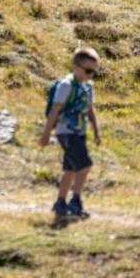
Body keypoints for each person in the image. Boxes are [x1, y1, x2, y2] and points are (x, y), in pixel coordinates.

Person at [40, 46, 101, 218]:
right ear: (76, 67)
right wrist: (46, 134)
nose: (90, 75)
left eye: (93, 72)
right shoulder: (66, 85)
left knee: (70, 169)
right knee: (84, 164)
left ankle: (60, 203)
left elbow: (90, 110)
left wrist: (96, 132)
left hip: (79, 132)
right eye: (88, 71)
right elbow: (55, 110)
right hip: (66, 131)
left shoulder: (87, 87)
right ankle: (75, 201)